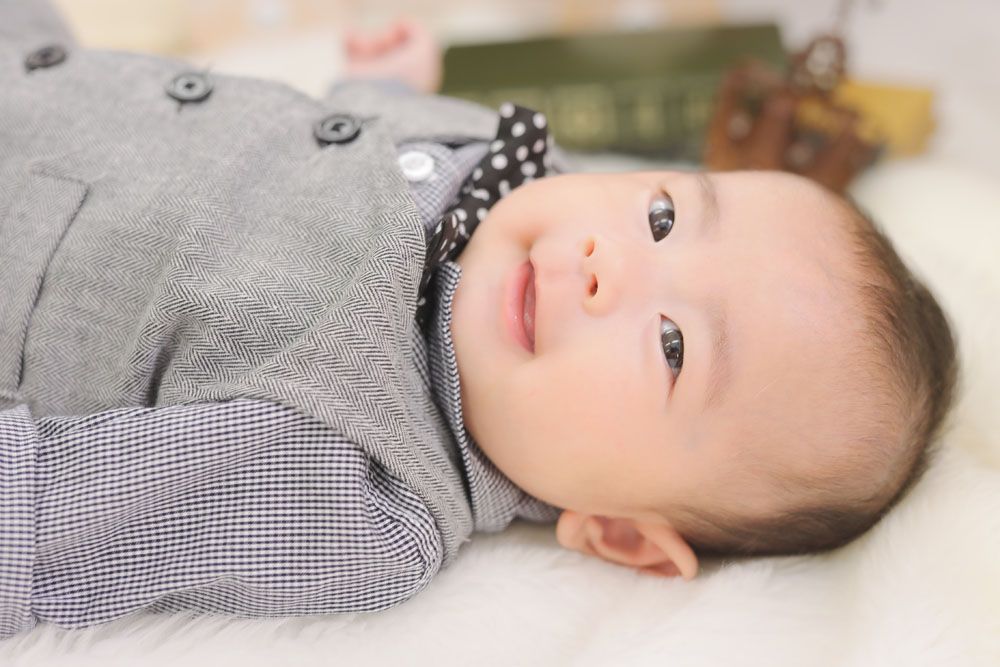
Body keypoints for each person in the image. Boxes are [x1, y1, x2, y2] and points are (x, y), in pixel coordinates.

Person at [0, 0, 956, 639]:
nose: (607, 262)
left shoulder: (358, 486)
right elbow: (360, 145)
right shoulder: (519, 178)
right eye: (664, 216)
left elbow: (52, 519)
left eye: (673, 345)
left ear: (621, 533)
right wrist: (388, 91)